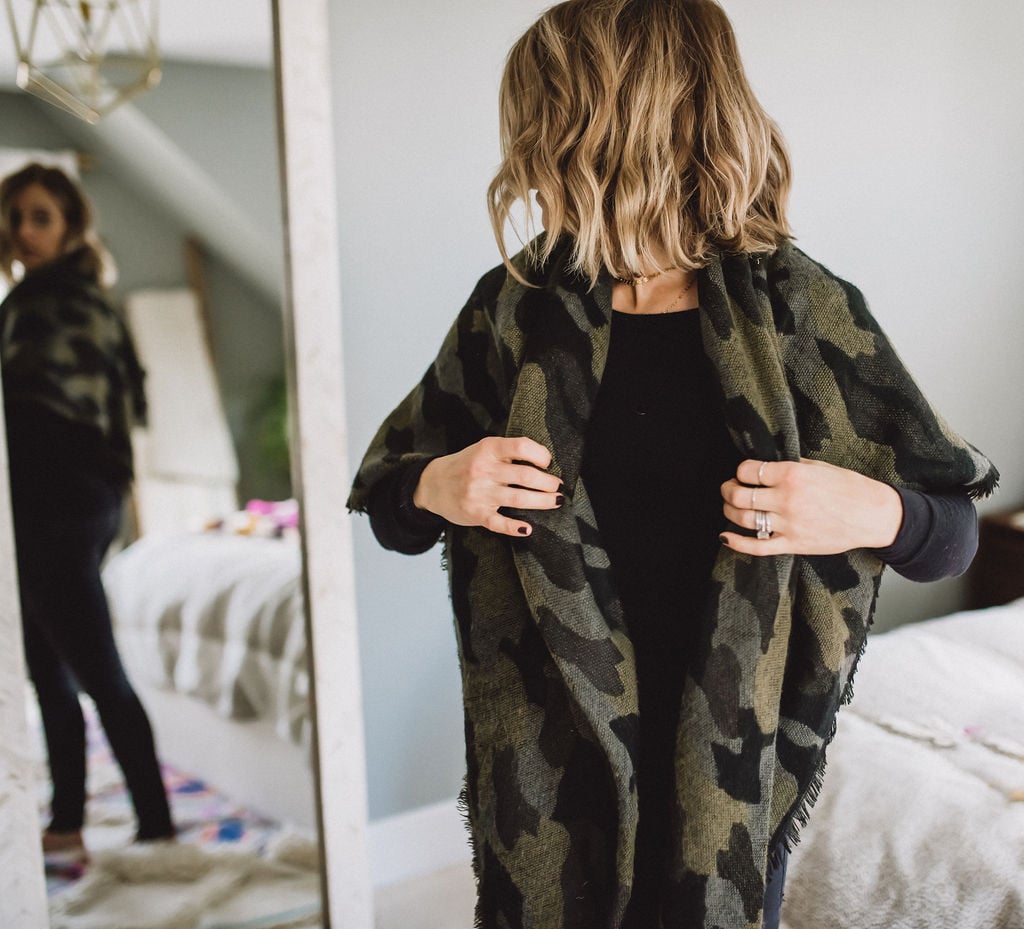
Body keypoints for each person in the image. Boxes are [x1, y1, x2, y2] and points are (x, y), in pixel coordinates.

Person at [348, 2, 997, 927]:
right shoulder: (512, 310)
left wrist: (867, 511)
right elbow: (392, 509)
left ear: (609, 129)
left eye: (542, 128)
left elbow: (953, 533)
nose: (526, 162)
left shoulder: (803, 313)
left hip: (729, 770)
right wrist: (433, 485)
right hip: (546, 762)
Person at [0, 162, 175, 860]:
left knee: (97, 670)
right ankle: (67, 818)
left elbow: (59, 413)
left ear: (69, 225)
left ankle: (158, 827)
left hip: (67, 504)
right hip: (46, 505)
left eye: (39, 215)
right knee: (50, 671)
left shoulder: (65, 300)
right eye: (14, 216)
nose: (22, 229)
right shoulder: (31, 299)